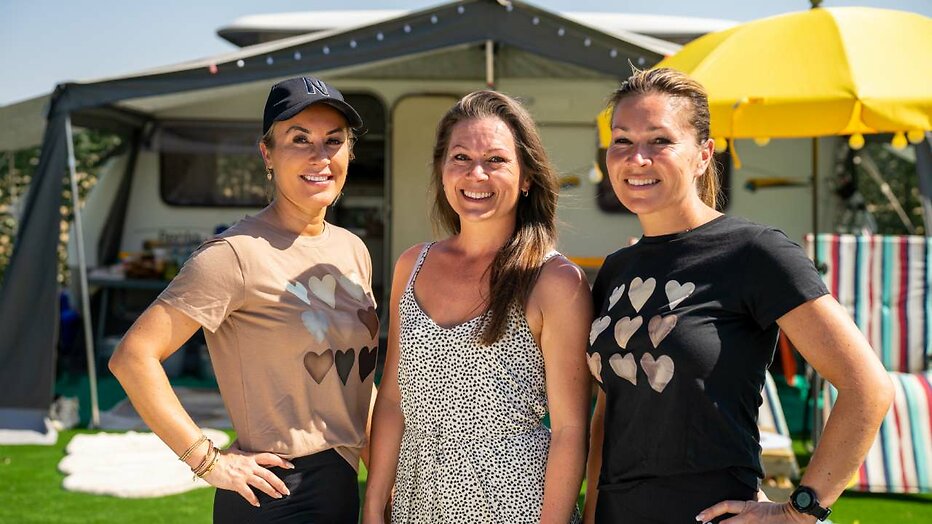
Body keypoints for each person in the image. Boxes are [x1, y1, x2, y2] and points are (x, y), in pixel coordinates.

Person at [582, 67, 894, 524]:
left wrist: (800, 511)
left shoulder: (755, 252)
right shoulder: (616, 269)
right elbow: (609, 408)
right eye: (622, 140)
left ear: (704, 155)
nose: (637, 158)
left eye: (660, 141)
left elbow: (867, 387)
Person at [110, 76, 378, 523]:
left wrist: (383, 485)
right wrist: (207, 461)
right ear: (267, 155)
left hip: (341, 486)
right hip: (277, 495)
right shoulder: (234, 254)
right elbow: (133, 357)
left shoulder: (352, 249)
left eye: (334, 141)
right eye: (299, 140)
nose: (320, 156)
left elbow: (357, 380)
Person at [362, 91, 591, 524]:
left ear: (527, 177)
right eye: (461, 158)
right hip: (416, 505)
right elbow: (391, 400)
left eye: (496, 160)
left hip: (515, 508)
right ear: (442, 170)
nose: (476, 173)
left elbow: (569, 430)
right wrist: (374, 503)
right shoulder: (411, 265)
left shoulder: (554, 281)